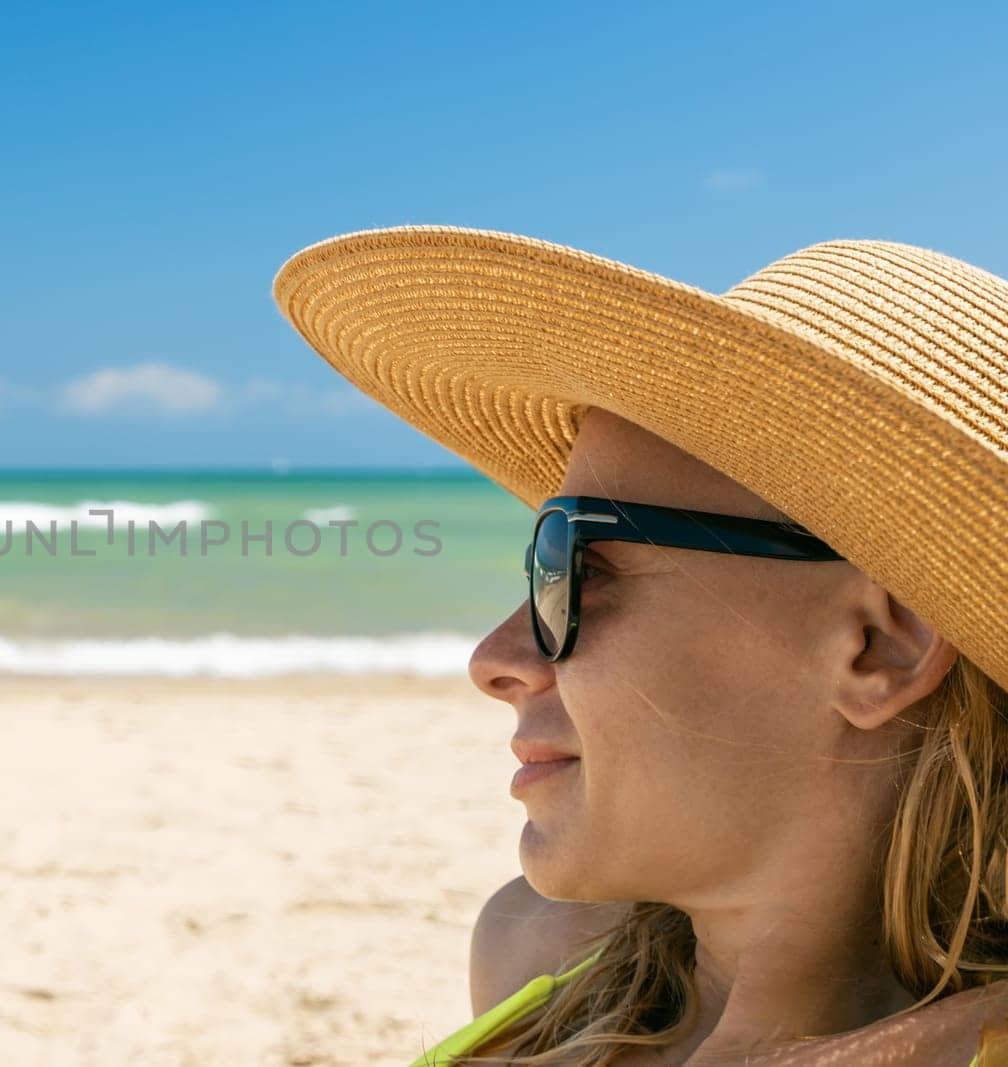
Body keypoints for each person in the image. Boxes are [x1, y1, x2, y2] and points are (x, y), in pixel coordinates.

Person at [269, 228, 1008, 1064]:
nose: (494, 657)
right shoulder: (533, 956)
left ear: (878, 646)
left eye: (576, 564)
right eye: (537, 559)